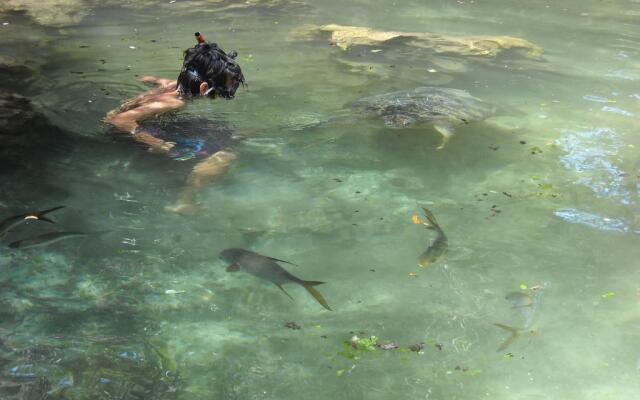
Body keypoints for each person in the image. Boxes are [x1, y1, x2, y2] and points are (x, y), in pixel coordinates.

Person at [105, 32, 245, 214]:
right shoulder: (174, 102)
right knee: (227, 151)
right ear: (204, 88)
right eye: (225, 89)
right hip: (123, 137)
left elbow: (149, 79)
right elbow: (118, 119)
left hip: (149, 125)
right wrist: (158, 144)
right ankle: (184, 201)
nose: (227, 92)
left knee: (227, 132)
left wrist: (146, 85)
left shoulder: (173, 85)